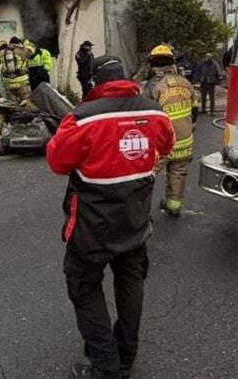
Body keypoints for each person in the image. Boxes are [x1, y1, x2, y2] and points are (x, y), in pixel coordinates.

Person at [47, 55, 175, 379]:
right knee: (131, 284)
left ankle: (105, 367)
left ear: (94, 83)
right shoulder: (154, 111)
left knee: (84, 287)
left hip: (92, 228)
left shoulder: (81, 119)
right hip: (135, 221)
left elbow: (57, 162)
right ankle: (126, 357)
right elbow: (167, 144)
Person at [143, 44, 197, 218]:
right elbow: (194, 110)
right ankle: (173, 206)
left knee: (146, 175)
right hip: (185, 140)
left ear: (153, 64)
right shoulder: (185, 83)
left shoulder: (153, 86)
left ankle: (138, 210)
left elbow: (145, 115)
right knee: (178, 172)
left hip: (162, 143)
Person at [0, 36, 30, 104]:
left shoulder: (2, 52)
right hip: (22, 81)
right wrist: (25, 42)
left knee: (12, 103)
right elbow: (31, 51)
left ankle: (14, 112)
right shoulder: (22, 50)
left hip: (8, 82)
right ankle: (24, 113)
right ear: (18, 43)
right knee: (25, 101)